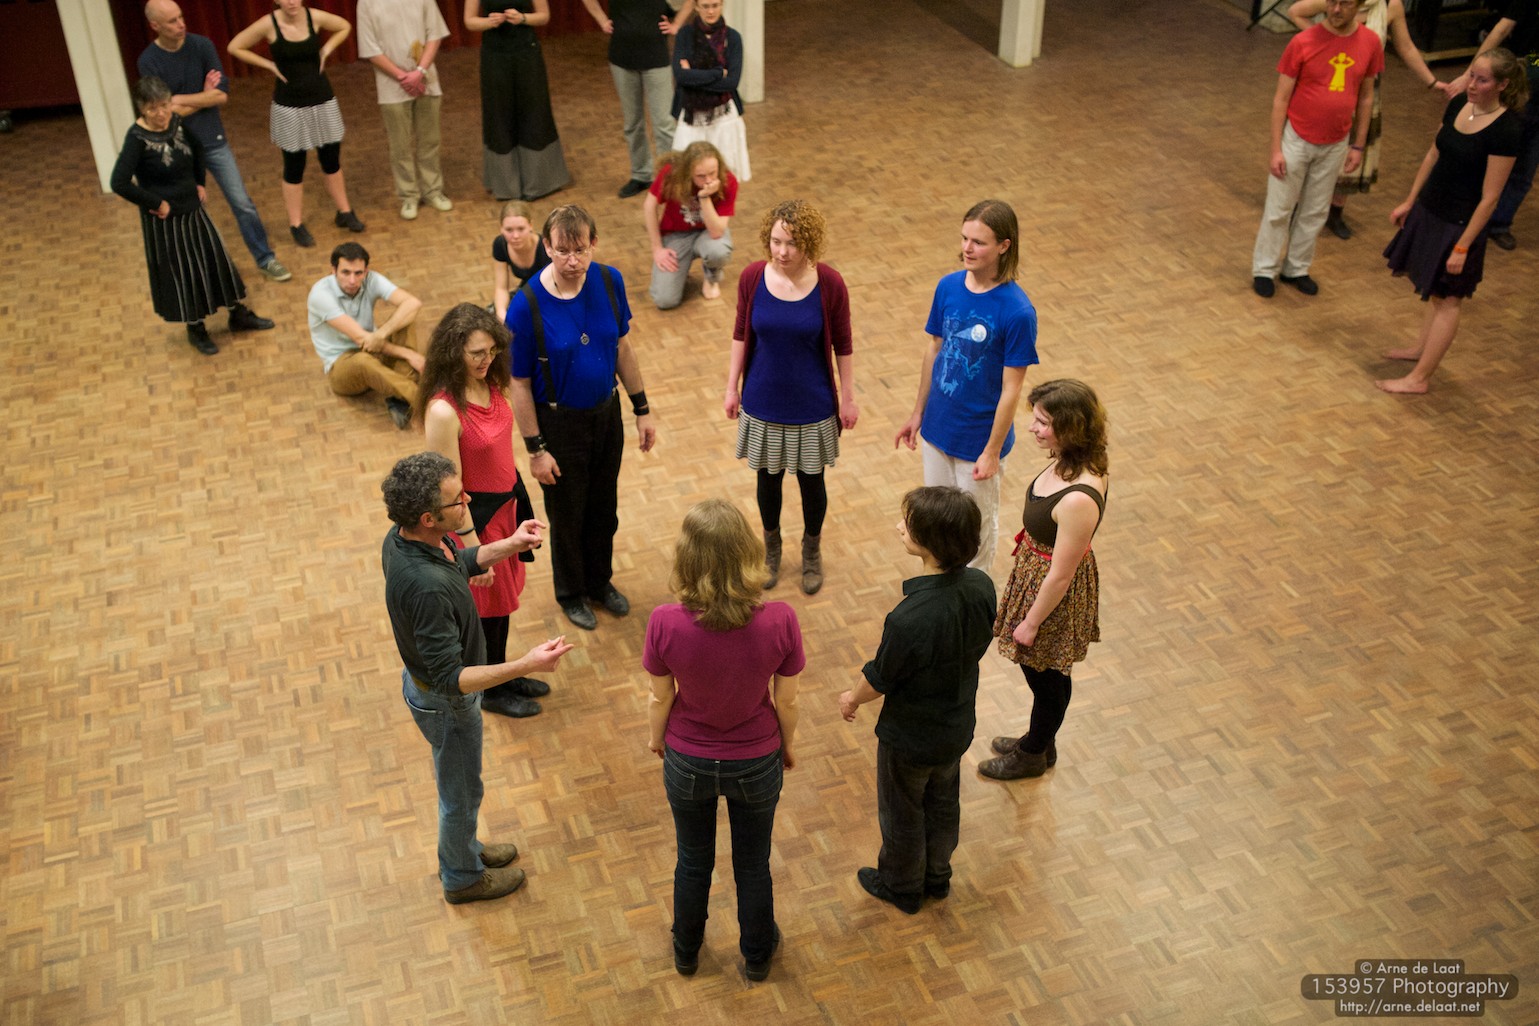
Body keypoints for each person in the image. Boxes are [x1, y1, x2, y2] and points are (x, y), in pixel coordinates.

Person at [381, 451, 574, 904]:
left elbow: (459, 560)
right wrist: (526, 663)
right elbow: (451, 678)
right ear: (428, 518)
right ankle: (462, 877)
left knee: (463, 787)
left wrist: (510, 544)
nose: (467, 501)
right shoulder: (426, 588)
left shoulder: (406, 539)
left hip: (437, 692)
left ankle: (463, 851)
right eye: (457, 500)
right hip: (446, 704)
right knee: (462, 793)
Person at [643, 499, 802, 980]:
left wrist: (657, 740)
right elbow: (788, 701)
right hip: (757, 759)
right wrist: (787, 745)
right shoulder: (780, 619)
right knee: (753, 864)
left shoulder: (664, 621)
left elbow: (660, 696)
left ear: (686, 558)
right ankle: (757, 956)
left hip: (687, 759)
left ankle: (686, 951)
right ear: (748, 552)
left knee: (692, 861)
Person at [838, 487, 996, 914]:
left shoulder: (909, 618)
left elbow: (881, 678)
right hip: (956, 727)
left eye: (907, 525)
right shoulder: (981, 586)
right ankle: (937, 877)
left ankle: (902, 886)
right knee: (943, 804)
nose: (898, 527)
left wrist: (851, 700)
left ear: (930, 542)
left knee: (902, 813)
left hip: (909, 738)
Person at [507, 206, 658, 631]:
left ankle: (599, 582)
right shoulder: (525, 305)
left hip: (606, 414)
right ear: (546, 247)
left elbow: (622, 348)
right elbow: (518, 383)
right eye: (562, 251)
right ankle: (571, 593)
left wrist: (642, 410)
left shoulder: (609, 281)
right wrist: (536, 450)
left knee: (604, 507)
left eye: (580, 250)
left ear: (593, 244)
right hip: (559, 425)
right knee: (568, 515)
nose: (572, 261)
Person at [419, 303, 550, 719]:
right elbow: (448, 489)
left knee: (500, 608)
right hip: (475, 524)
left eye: (492, 351)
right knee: (485, 613)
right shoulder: (443, 410)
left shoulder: (489, 382)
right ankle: (489, 689)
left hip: (505, 509)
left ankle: (503, 674)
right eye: (476, 353)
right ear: (453, 351)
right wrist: (473, 550)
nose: (486, 360)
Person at [894, 200, 1038, 574]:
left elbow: (1012, 389)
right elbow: (935, 349)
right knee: (936, 526)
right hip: (938, 431)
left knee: (974, 533)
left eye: (979, 242)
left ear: (1004, 245)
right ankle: (939, 593)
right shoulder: (948, 287)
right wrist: (918, 413)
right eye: (964, 238)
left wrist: (991, 451)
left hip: (978, 442)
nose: (967, 248)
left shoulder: (1017, 312)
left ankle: (973, 598)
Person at [725, 200, 857, 595]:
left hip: (812, 403)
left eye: (792, 244)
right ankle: (771, 551)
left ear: (809, 243)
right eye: (776, 241)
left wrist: (848, 397)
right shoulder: (752, 277)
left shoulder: (829, 283)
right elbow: (740, 333)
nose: (782, 252)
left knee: (812, 482)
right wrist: (731, 387)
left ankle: (811, 552)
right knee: (767, 481)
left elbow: (843, 345)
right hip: (763, 399)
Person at [980, 380, 1108, 781]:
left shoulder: (1078, 498)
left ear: (1070, 427)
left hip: (1053, 591)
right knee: (1045, 671)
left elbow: (1062, 574)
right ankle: (1041, 739)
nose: (1032, 428)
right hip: (1038, 575)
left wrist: (1031, 622)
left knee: (1046, 675)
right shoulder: (1066, 458)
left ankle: (1034, 752)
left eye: (1043, 422)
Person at [1376, 49, 1526, 394]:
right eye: (1472, 75)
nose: (1471, 84)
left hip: (1460, 223)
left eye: (1482, 80)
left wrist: (1462, 246)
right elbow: (1434, 153)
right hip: (1432, 209)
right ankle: (1421, 349)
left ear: (1502, 85)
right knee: (1433, 290)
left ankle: (1419, 379)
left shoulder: (1507, 129)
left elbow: (1490, 198)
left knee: (1448, 299)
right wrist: (1411, 200)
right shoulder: (1459, 104)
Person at [111, 76, 275, 356]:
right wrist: (156, 203)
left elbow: (198, 150)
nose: (161, 113)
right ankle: (196, 329)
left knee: (216, 260)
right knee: (184, 272)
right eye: (153, 109)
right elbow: (119, 182)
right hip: (165, 221)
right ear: (141, 109)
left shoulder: (176, 121)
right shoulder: (136, 138)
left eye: (164, 105)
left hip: (193, 208)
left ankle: (237, 314)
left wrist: (200, 182)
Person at [138, 0, 291, 283]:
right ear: (155, 26)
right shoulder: (149, 61)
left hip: (212, 140)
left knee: (242, 203)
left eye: (181, 17)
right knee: (194, 213)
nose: (181, 24)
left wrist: (180, 99)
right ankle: (212, 272)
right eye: (172, 21)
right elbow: (163, 114)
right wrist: (202, 95)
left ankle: (265, 259)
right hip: (177, 148)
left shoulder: (202, 46)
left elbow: (221, 96)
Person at [1250, 0, 1382, 297]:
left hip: (1336, 142)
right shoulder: (1303, 42)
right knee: (1279, 209)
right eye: (1332, 1)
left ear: (1359, 6)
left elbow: (1365, 97)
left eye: (1345, 3)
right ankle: (1264, 269)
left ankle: (1296, 268)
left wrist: (1358, 145)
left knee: (1315, 210)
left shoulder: (1370, 42)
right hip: (1296, 138)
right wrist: (1276, 149)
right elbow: (1280, 99)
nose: (1336, 9)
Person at [1286, 0, 1446, 239]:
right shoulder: (1338, 1)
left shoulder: (1390, 6)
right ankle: (1300, 205)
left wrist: (1432, 82)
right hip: (1329, 81)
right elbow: (1295, 11)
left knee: (1354, 146)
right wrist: (1324, 42)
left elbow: (1406, 47)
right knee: (1314, 146)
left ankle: (1335, 211)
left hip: (1364, 87)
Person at [229, 0, 365, 248]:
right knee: (294, 165)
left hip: (321, 99)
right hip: (290, 105)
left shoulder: (314, 17)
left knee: (331, 160)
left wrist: (326, 50)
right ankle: (296, 224)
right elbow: (235, 46)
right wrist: (269, 65)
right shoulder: (269, 24)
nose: (291, 1)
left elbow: (344, 26)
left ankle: (344, 211)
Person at [1438, 1, 1539, 252]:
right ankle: (1468, 213)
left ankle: (1499, 224)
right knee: (1485, 157)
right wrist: (1469, 74)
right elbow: (1501, 29)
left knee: (1525, 167)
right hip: (1518, 90)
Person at [580, 0, 694, 198]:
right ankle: (641, 175)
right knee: (633, 123)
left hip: (656, 57)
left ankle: (670, 177)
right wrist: (602, 20)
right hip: (621, 58)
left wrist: (676, 24)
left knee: (664, 124)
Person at [464, 0, 572, 202]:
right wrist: (489, 22)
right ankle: (507, 186)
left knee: (534, 111)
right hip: (494, 56)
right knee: (499, 114)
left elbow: (544, 16)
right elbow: (469, 21)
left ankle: (538, 183)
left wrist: (522, 18)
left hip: (526, 53)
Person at [307, 242, 424, 428]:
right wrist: (409, 354)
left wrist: (382, 333)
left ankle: (398, 396)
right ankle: (422, 398)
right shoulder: (320, 295)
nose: (352, 280)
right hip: (342, 365)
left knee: (405, 320)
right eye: (345, 272)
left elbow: (413, 303)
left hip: (373, 347)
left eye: (358, 273)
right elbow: (362, 340)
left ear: (366, 271)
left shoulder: (372, 279)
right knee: (363, 361)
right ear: (333, 271)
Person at [357, 0, 453, 221]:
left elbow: (434, 35)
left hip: (426, 79)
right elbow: (370, 48)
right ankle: (409, 195)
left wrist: (419, 72)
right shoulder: (366, 3)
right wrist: (403, 77)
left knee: (430, 140)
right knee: (400, 145)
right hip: (392, 85)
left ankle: (433, 191)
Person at [644, 141, 737, 308]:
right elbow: (649, 206)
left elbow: (716, 232)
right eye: (701, 176)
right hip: (676, 235)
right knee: (665, 300)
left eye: (712, 173)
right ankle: (681, 272)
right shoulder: (671, 175)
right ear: (688, 173)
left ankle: (712, 277)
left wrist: (704, 197)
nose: (708, 180)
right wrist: (657, 248)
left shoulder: (728, 180)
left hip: (708, 233)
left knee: (718, 250)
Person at [670, 0, 750, 181]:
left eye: (715, 5)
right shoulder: (685, 34)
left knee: (725, 175)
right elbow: (681, 77)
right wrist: (717, 73)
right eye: (705, 6)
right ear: (696, 7)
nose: (711, 11)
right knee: (687, 174)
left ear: (722, 5)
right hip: (692, 115)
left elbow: (731, 83)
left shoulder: (733, 38)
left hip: (724, 116)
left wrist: (694, 75)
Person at [491, 201, 552, 321]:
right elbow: (501, 288)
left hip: (548, 296)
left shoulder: (546, 249)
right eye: (509, 230)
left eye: (521, 229)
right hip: (527, 291)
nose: (515, 236)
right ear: (501, 228)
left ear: (530, 226)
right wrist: (502, 314)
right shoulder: (500, 244)